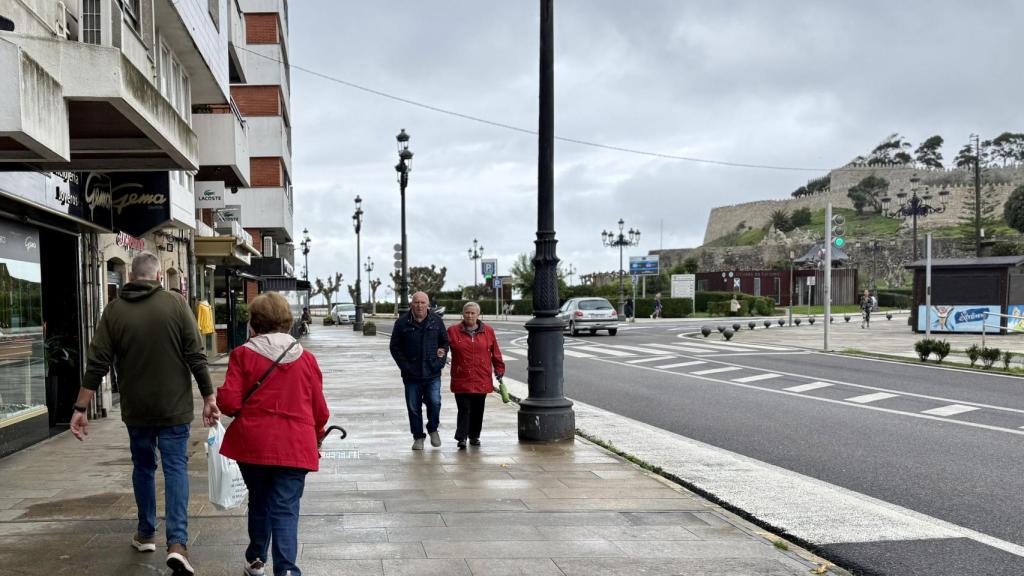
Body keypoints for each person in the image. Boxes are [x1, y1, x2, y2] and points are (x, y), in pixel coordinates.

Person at [70, 252, 216, 576]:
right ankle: (177, 544)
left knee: (144, 467)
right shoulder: (177, 305)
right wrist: (209, 397)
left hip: (136, 410)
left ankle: (146, 532)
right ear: (159, 276)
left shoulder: (114, 310)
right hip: (175, 408)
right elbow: (196, 354)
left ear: (131, 277)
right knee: (176, 468)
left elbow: (97, 363)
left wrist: (81, 408)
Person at [217, 292, 329, 576]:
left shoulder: (242, 355)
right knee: (286, 507)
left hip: (253, 444)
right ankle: (287, 569)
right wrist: (317, 435)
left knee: (260, 499)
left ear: (254, 323)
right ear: (287, 321)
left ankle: (256, 558)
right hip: (295, 444)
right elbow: (320, 409)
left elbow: (229, 402)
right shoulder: (307, 359)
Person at [390, 291, 449, 450]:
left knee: (435, 402)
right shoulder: (402, 323)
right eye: (416, 302)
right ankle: (418, 437)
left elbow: (444, 343)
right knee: (413, 407)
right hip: (411, 375)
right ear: (411, 304)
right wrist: (405, 366)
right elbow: (395, 347)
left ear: (428, 305)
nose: (419, 306)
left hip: (432, 372)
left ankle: (433, 428)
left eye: (423, 303)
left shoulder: (436, 321)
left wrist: (439, 363)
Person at [447, 302, 505, 449]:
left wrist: (499, 369)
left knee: (478, 409)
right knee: (464, 408)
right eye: (467, 312)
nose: (470, 315)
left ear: (478, 315)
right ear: (463, 314)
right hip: (462, 377)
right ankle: (461, 437)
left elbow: (495, 353)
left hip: (481, 377)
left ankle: (474, 436)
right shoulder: (453, 331)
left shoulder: (488, 331)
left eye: (473, 313)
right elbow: (441, 348)